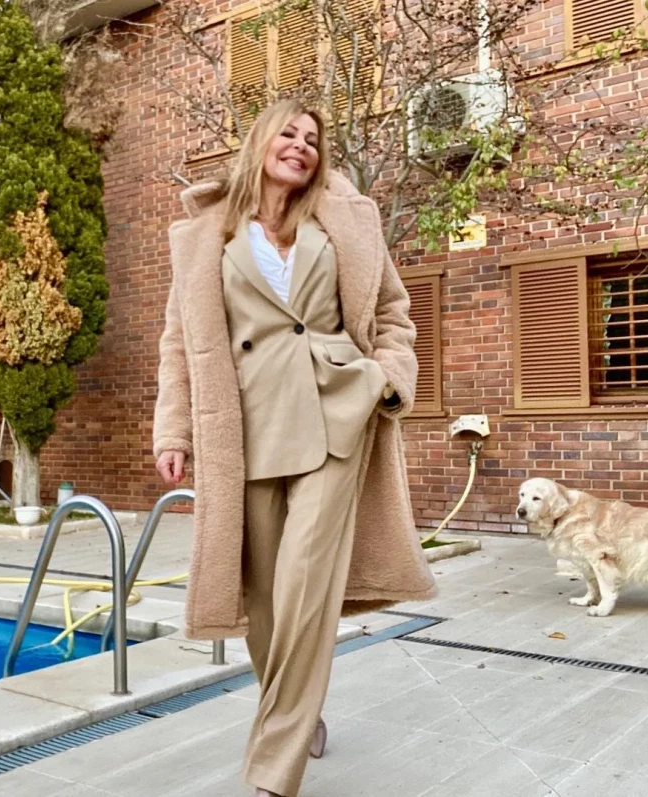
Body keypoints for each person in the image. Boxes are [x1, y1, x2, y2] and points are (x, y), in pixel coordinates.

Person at [153, 98, 436, 797]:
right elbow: (178, 344)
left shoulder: (344, 219)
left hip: (335, 413)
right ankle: (296, 706)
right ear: (259, 141)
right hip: (244, 429)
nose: (302, 145)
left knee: (306, 586)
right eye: (289, 132)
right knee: (263, 595)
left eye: (313, 139)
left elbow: (395, 311)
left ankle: (271, 772)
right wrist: (175, 429)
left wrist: (386, 378)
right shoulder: (205, 234)